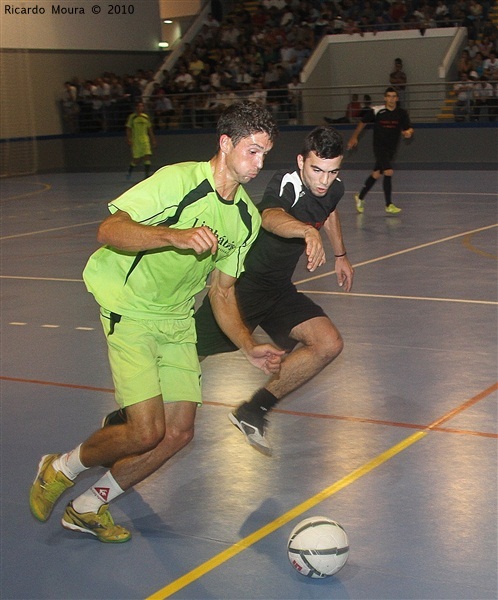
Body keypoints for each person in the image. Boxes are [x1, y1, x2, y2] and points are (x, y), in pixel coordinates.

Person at [29, 101, 283, 542]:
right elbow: (109, 230)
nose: (260, 164)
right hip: (129, 307)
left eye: (265, 154)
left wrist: (247, 344)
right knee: (147, 431)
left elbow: (222, 292)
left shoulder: (244, 219)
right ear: (225, 144)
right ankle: (61, 468)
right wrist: (173, 235)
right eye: (253, 151)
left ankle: (88, 507)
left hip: (177, 319)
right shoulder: (178, 181)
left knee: (178, 433)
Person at [103, 126, 354, 455]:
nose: (323, 181)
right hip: (243, 287)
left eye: (332, 172)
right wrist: (306, 232)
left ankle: (253, 411)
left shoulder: (333, 188)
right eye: (316, 170)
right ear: (300, 162)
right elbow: (269, 216)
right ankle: (125, 419)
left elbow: (330, 211)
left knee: (327, 343)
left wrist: (340, 255)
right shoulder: (287, 183)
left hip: (277, 289)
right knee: (190, 358)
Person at [347, 87, 414, 215]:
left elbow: (408, 128)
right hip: (379, 147)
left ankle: (360, 197)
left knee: (377, 173)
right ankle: (389, 204)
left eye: (394, 96)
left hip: (392, 148)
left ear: (397, 98)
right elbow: (362, 122)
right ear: (385, 98)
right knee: (388, 171)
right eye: (389, 96)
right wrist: (354, 137)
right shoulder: (377, 111)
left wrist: (408, 133)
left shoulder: (401, 113)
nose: (391, 99)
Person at [125, 101, 156, 179]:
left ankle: (146, 175)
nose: (140, 108)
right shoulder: (132, 117)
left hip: (145, 139)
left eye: (142, 106)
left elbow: (149, 129)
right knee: (136, 159)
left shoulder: (145, 117)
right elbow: (128, 129)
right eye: (139, 106)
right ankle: (129, 171)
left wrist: (153, 139)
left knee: (147, 156)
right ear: (136, 108)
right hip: (136, 140)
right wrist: (129, 139)